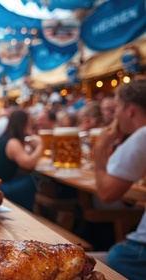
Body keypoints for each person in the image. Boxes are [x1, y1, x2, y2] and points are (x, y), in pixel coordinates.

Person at [93, 78, 146, 280]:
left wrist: (100, 149)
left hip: (140, 254)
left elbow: (107, 193)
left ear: (130, 110)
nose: (114, 115)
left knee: (116, 256)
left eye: (117, 108)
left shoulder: (142, 136)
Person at [0, 110, 43, 211]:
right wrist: (40, 145)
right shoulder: (13, 142)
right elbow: (28, 164)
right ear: (24, 124)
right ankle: (36, 213)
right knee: (33, 179)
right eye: (30, 123)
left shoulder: (5, 138)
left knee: (32, 177)